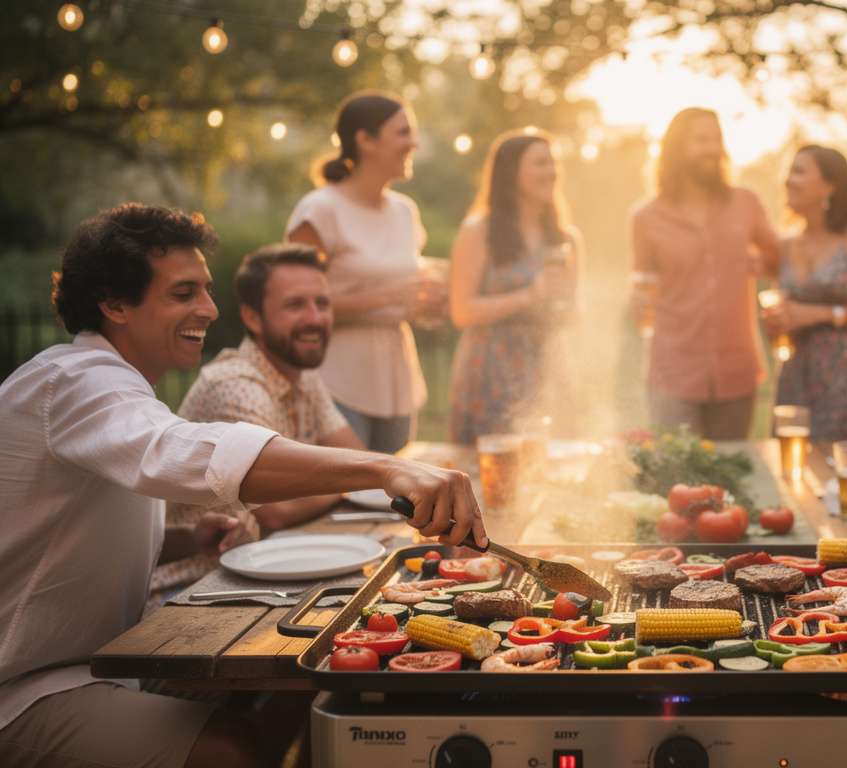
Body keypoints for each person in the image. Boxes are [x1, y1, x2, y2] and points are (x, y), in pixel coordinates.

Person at [0, 204, 484, 768]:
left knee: (309, 689)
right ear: (114, 304)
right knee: (228, 750)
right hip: (26, 688)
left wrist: (189, 540)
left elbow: (62, 540)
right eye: (183, 293)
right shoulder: (76, 381)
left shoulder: (114, 388)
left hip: (96, 667)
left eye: (205, 290)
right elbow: (185, 451)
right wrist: (384, 468)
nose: (208, 308)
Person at [147, 243, 364, 614]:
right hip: (194, 593)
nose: (314, 318)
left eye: (322, 303)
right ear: (252, 317)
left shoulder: (300, 372)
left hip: (265, 574)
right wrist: (345, 481)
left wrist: (345, 477)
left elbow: (354, 461)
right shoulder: (234, 384)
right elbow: (273, 510)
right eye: (295, 305)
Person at [285, 90, 445, 454]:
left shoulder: (405, 212)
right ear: (365, 140)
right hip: (337, 378)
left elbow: (406, 294)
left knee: (400, 500)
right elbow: (293, 308)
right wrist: (391, 296)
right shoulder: (319, 210)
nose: (414, 143)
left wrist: (425, 305)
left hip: (397, 377)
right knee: (344, 496)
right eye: (403, 132)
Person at [628, 107, 778, 439]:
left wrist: (758, 265)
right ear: (676, 149)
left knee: (731, 476)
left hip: (736, 370)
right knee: (677, 473)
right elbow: (642, 283)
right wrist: (635, 302)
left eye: (716, 139)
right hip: (673, 373)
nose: (712, 148)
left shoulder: (746, 201)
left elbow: (781, 258)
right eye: (701, 140)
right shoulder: (646, 217)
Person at [447, 129, 581, 444]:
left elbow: (574, 313)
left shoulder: (567, 238)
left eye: (554, 163)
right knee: (487, 474)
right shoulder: (478, 230)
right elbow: (461, 312)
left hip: (548, 367)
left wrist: (566, 308)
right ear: (511, 172)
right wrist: (530, 295)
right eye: (540, 163)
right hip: (489, 369)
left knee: (552, 470)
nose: (551, 172)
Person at [761, 145, 847, 441]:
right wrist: (775, 324)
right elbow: (785, 315)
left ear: (830, 185)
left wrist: (819, 314)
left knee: (842, 471)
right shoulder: (785, 244)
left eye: (799, 171)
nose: (788, 180)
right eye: (789, 171)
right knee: (791, 468)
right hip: (795, 375)